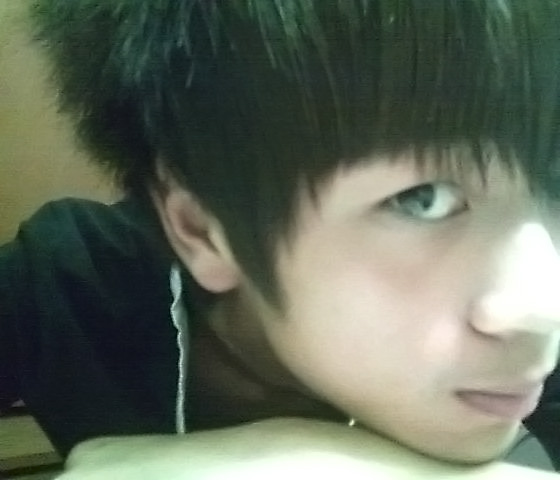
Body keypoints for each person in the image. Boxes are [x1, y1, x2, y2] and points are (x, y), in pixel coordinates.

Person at [2, 0, 560, 478]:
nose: (543, 306)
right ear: (203, 230)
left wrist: (303, 457)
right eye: (422, 199)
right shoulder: (65, 285)